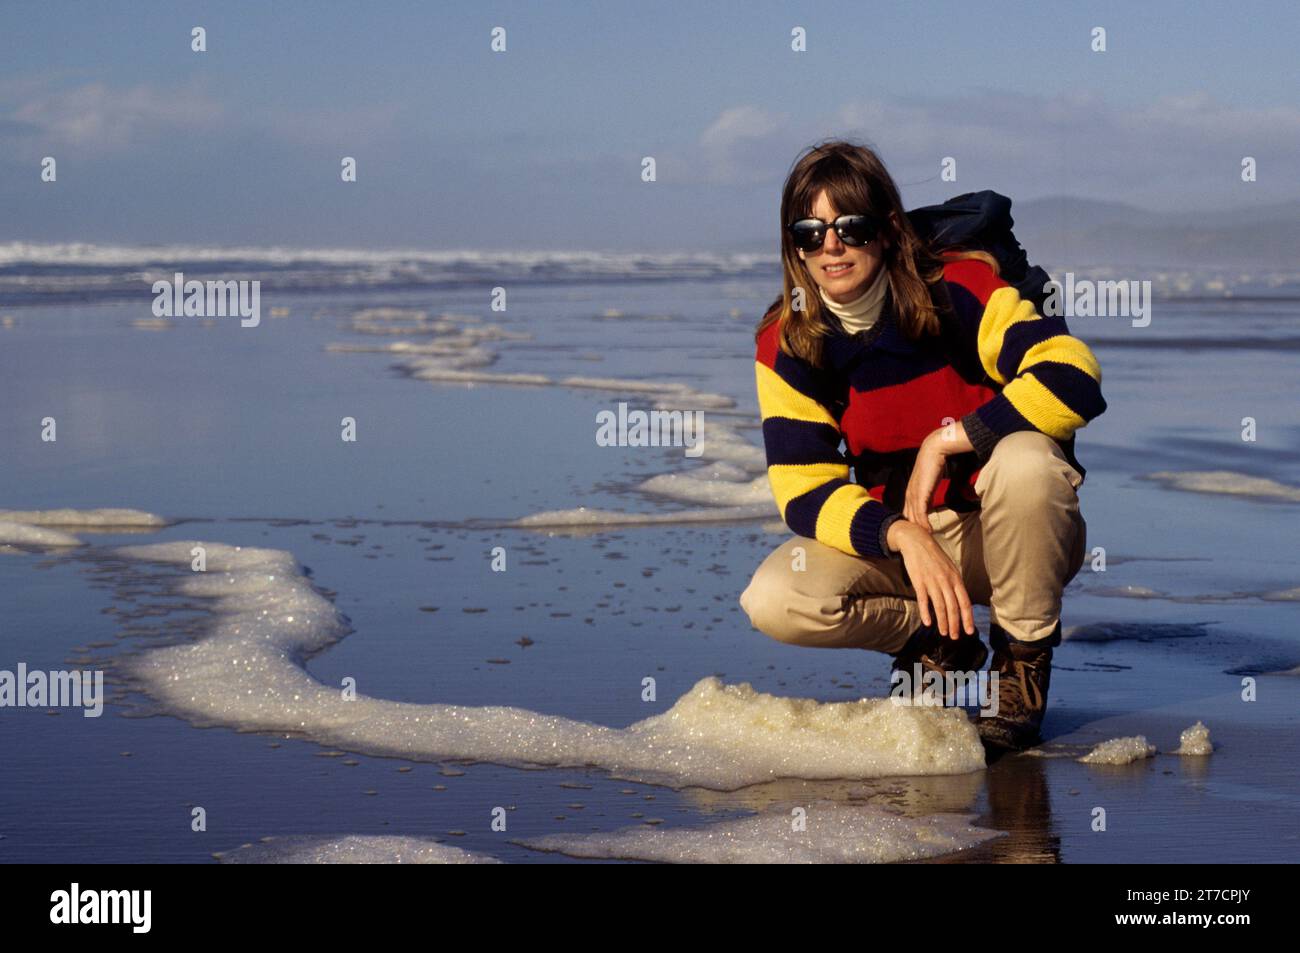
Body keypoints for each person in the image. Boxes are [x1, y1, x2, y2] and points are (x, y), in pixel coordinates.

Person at [738, 140, 1106, 751]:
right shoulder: (788, 340)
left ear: (885, 230)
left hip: (1007, 537)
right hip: (907, 549)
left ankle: (1019, 664)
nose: (831, 247)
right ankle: (936, 640)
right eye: (809, 231)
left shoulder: (961, 290)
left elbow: (1072, 378)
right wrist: (900, 534)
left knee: (1027, 462)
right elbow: (804, 489)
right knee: (777, 597)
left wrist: (952, 439)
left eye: (850, 227)